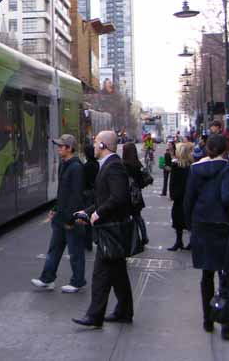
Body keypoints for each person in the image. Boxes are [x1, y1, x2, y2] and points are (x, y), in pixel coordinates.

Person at [73, 130, 134, 329]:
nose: (93, 144)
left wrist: (98, 214)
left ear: (102, 145)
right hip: (111, 229)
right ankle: (124, 311)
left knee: (101, 275)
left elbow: (118, 197)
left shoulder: (114, 166)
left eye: (96, 141)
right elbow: (105, 198)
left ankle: (95, 316)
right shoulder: (109, 165)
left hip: (111, 230)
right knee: (118, 274)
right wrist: (87, 211)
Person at [184, 134, 229, 340]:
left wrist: (191, 225)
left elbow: (188, 201)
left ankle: (207, 318)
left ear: (207, 150)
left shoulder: (195, 170)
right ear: (225, 150)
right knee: (225, 276)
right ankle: (225, 322)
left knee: (206, 276)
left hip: (202, 226)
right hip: (223, 227)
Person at [31, 134, 86, 293]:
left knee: (75, 251)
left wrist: (70, 219)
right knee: (54, 249)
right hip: (61, 216)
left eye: (61, 146)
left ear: (69, 148)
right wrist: (55, 209)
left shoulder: (76, 167)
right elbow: (63, 193)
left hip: (70, 218)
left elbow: (76, 195)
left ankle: (77, 281)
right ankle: (47, 279)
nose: (58, 149)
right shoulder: (65, 164)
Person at [121, 142, 149, 245]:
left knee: (126, 217)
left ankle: (132, 238)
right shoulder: (137, 165)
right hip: (136, 195)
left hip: (126, 194)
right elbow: (141, 182)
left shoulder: (123, 165)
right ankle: (144, 236)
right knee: (138, 216)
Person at [167, 143, 192, 251]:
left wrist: (172, 195)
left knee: (178, 219)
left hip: (179, 197)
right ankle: (189, 242)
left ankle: (179, 241)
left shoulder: (176, 166)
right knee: (188, 219)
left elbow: (173, 182)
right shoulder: (191, 166)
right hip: (188, 197)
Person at [82, 143, 99, 252]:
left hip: (88, 193)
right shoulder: (97, 164)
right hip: (96, 193)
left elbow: (83, 181)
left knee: (87, 218)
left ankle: (88, 242)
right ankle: (97, 239)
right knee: (95, 216)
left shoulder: (86, 166)